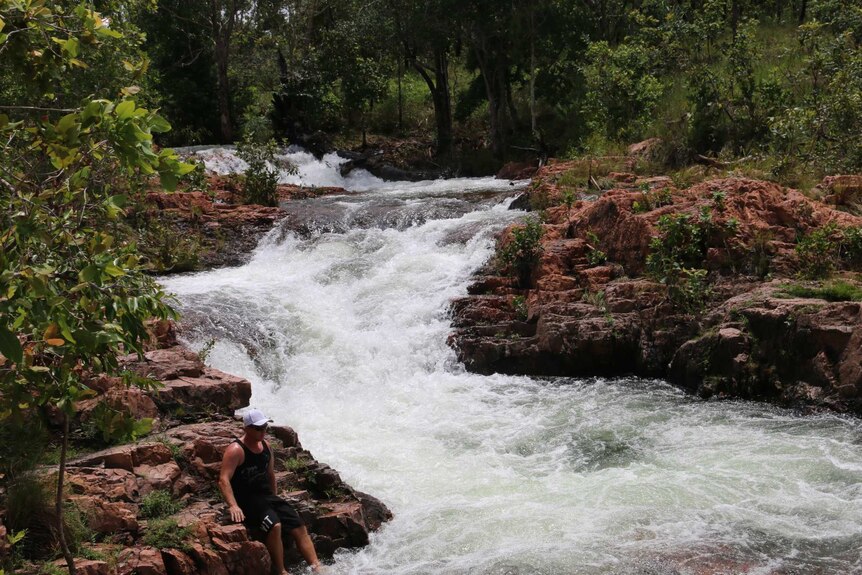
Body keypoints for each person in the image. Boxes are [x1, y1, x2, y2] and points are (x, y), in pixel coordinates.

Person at [219, 408, 322, 574]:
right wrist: (233, 506)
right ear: (247, 428)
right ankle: (281, 571)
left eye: (265, 427)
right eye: (258, 428)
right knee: (275, 526)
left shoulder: (266, 446)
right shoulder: (236, 450)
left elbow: (271, 474)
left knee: (298, 524)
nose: (263, 431)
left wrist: (276, 499)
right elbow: (223, 479)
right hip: (247, 501)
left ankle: (317, 567)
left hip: (267, 497)